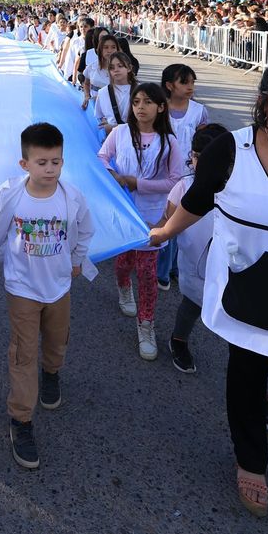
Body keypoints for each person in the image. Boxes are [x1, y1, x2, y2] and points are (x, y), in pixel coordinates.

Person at [150, 58, 268, 530]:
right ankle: (250, 462)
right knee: (246, 383)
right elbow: (197, 201)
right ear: (262, 101)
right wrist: (159, 234)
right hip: (248, 304)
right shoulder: (230, 150)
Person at [0, 122, 96, 469]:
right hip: (22, 288)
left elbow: (86, 229)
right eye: (42, 162)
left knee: (57, 340)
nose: (50, 169)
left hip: (59, 286)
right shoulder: (9, 194)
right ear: (24, 164)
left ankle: (53, 372)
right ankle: (21, 419)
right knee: (23, 352)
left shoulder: (71, 196)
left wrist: (75, 261)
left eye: (56, 162)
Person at [97, 83, 183, 360]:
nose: (140, 107)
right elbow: (102, 158)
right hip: (121, 215)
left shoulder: (170, 142)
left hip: (152, 219)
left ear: (160, 107)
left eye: (147, 102)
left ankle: (146, 324)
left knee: (147, 273)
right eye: (136, 102)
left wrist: (137, 183)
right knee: (123, 263)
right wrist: (112, 175)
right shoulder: (120, 133)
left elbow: (175, 180)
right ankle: (124, 289)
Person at [158, 123, 228, 373]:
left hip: (230, 265)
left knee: (237, 317)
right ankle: (179, 340)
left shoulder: (238, 190)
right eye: (197, 156)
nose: (201, 163)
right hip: (194, 263)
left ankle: (249, 374)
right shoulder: (184, 187)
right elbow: (168, 223)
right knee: (192, 304)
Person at [157, 63, 211, 291]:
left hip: (188, 175)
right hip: (162, 175)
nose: (190, 87)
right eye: (184, 82)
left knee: (183, 221)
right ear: (169, 85)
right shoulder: (160, 109)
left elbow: (203, 142)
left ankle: (175, 268)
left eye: (192, 82)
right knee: (166, 220)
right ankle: (162, 270)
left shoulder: (199, 111)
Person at [94, 52, 137, 135]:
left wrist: (114, 127)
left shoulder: (140, 90)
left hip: (135, 136)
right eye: (111, 68)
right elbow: (100, 117)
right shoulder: (103, 92)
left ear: (129, 68)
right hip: (112, 138)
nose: (116, 70)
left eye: (120, 66)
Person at [81, 34, 119, 109]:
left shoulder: (122, 70)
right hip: (93, 107)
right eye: (106, 47)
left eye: (113, 47)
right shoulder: (92, 67)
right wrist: (87, 96)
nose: (109, 51)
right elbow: (86, 84)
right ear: (100, 49)